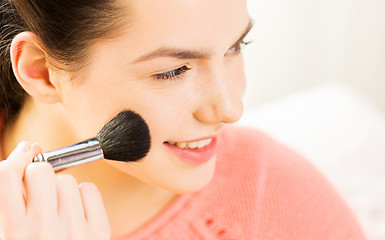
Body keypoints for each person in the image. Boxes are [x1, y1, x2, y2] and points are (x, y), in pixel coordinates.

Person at [0, 0, 367, 239]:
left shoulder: (276, 197)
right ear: (41, 71)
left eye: (234, 48)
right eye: (174, 71)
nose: (229, 109)